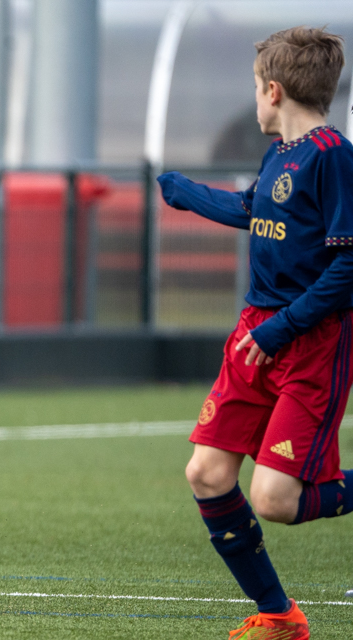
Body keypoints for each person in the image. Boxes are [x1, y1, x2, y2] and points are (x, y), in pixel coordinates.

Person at [158, 27, 353, 639]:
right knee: (207, 475)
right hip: (256, 333)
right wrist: (185, 193)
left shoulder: (331, 155)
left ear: (273, 90)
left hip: (309, 339)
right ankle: (280, 617)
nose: (256, 100)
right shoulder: (280, 156)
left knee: (276, 500)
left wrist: (282, 329)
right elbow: (253, 210)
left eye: (254, 89)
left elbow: (349, 263)